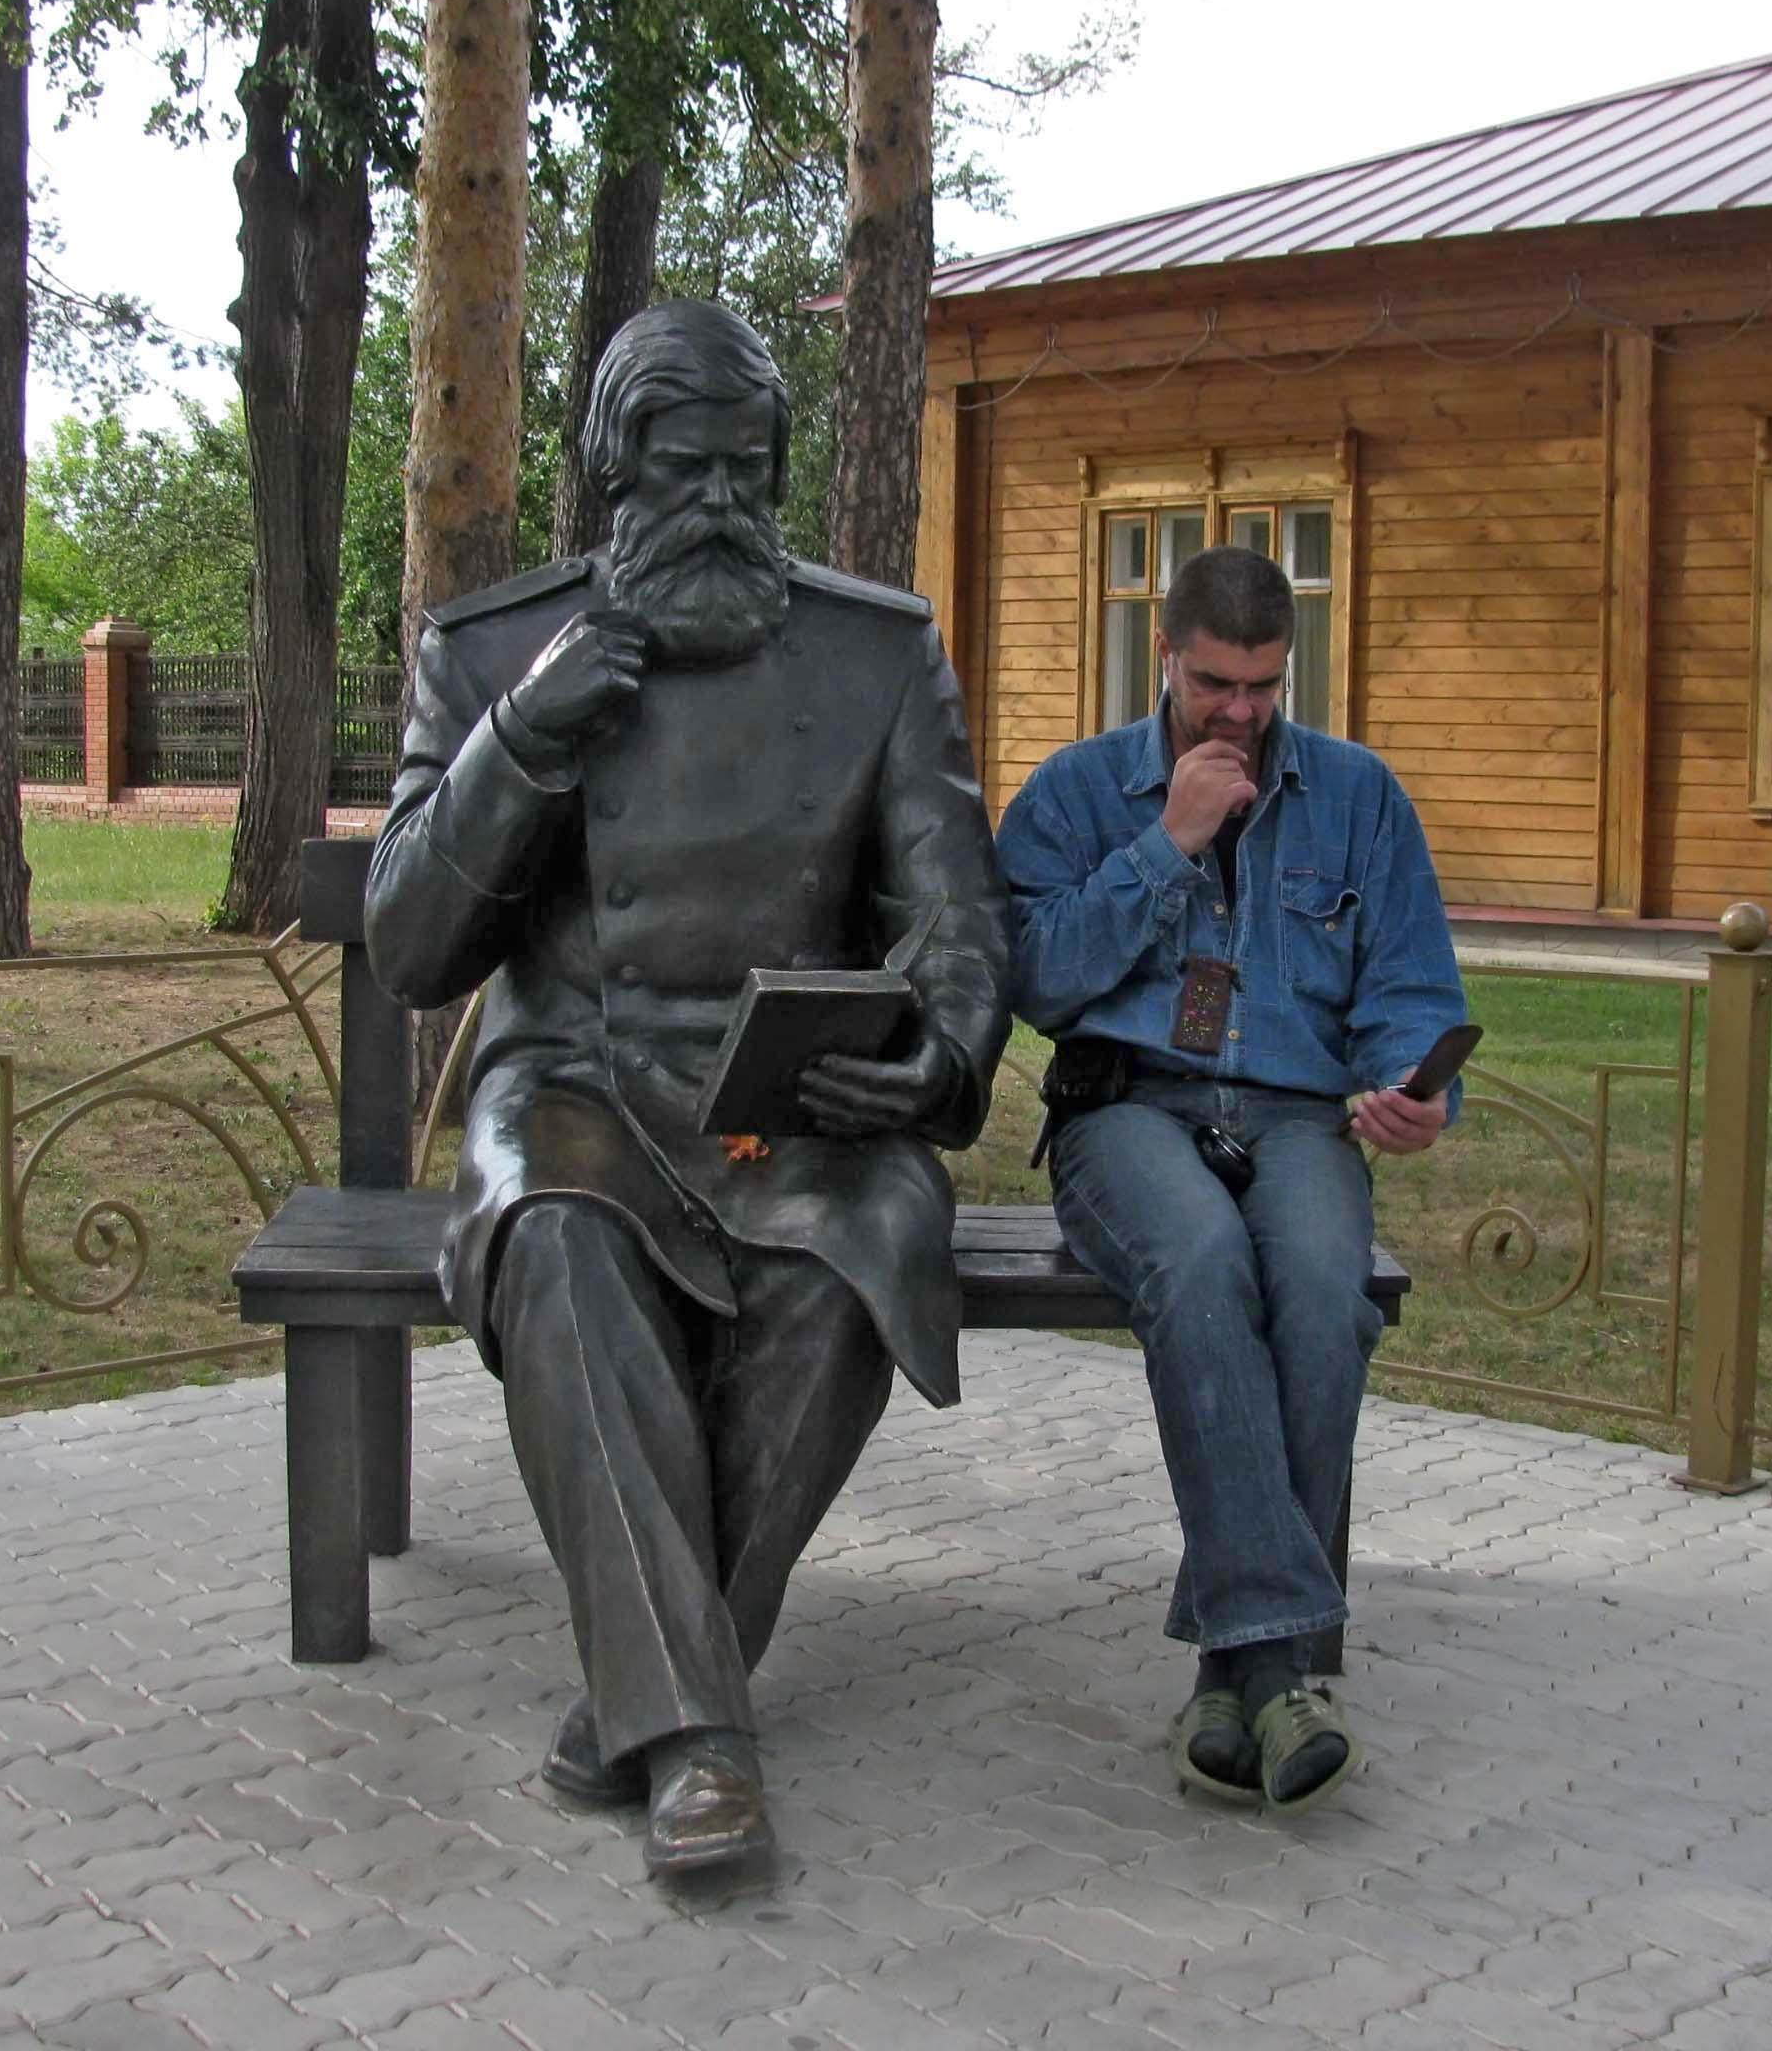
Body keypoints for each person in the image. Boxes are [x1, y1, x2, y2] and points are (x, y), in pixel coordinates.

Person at [364, 301, 1010, 1880]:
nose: (717, 505)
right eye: (679, 472)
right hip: (576, 1081)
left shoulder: (874, 653)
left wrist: (937, 1049)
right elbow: (407, 946)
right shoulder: (495, 652)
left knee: (861, 1248)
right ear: (610, 473)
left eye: (746, 470)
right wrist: (518, 746)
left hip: (795, 1101)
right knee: (562, 1241)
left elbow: (953, 913)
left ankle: (639, 1695)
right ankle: (705, 1741)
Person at [993, 542, 1464, 1814]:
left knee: (1320, 1285)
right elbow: (1030, 979)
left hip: (1299, 1118)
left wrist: (1416, 1091)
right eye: (1215, 684)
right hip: (1125, 1111)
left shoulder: (1360, 798)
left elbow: (1410, 989)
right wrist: (1166, 843)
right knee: (1199, 1263)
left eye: (1263, 685)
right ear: (1165, 655)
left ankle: (1236, 1673)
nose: (1241, 713)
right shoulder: (1079, 791)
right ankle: (1288, 1660)